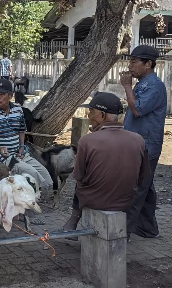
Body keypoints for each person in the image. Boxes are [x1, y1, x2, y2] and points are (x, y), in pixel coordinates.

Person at [61, 92, 151, 235]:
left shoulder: (87, 141)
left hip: (96, 201)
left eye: (91, 111)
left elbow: (79, 176)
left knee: (80, 183)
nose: (88, 116)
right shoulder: (138, 139)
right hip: (126, 201)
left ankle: (73, 220)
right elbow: (144, 176)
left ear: (102, 115)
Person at [120, 45, 167, 239]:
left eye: (134, 61)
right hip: (136, 143)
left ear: (148, 64)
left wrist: (127, 87)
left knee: (136, 188)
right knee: (144, 186)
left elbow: (138, 110)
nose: (130, 65)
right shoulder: (143, 83)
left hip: (146, 145)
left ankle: (123, 232)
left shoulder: (155, 85)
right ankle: (148, 228)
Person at [0, 79, 53, 189]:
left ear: (10, 95)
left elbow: (21, 130)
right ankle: (29, 198)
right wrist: (0, 149)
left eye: (1, 94)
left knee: (45, 175)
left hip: (19, 153)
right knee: (32, 173)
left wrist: (22, 147)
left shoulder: (18, 109)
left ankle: (32, 192)